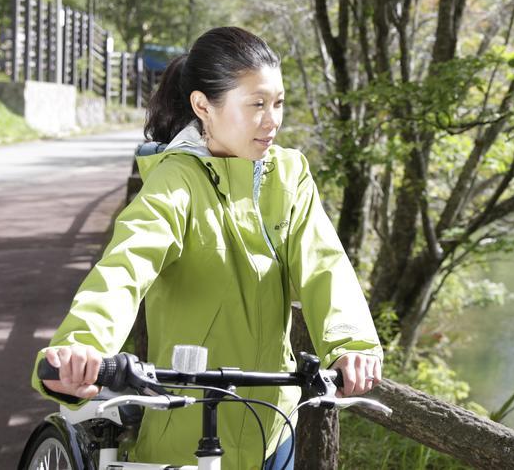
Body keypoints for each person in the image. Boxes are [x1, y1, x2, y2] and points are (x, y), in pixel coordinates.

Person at [30, 26, 383, 470]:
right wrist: (82, 345)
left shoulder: (289, 175)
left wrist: (351, 345)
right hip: (186, 430)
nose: (272, 120)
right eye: (256, 104)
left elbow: (324, 264)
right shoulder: (176, 180)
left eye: (278, 103)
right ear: (203, 106)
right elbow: (124, 267)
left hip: (274, 430)